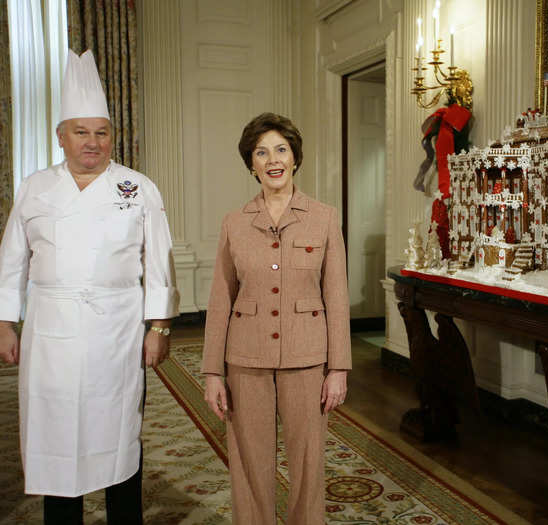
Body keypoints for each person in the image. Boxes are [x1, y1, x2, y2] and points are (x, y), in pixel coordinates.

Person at [0, 50, 179, 524]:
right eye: (81, 132)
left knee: (119, 431)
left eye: (102, 132)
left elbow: (158, 262)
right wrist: (5, 323)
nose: (93, 142)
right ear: (61, 136)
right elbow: (12, 259)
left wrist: (158, 327)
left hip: (117, 328)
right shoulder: (34, 187)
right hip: (50, 328)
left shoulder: (139, 188)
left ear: (112, 136)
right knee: (56, 432)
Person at [201, 112, 351, 525]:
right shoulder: (234, 223)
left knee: (307, 463)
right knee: (250, 461)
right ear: (251, 164)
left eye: (281, 150)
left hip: (307, 357)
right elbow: (220, 299)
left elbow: (336, 296)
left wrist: (338, 367)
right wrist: (213, 372)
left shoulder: (324, 218)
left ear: (295, 158)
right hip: (245, 358)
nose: (273, 159)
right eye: (261, 152)